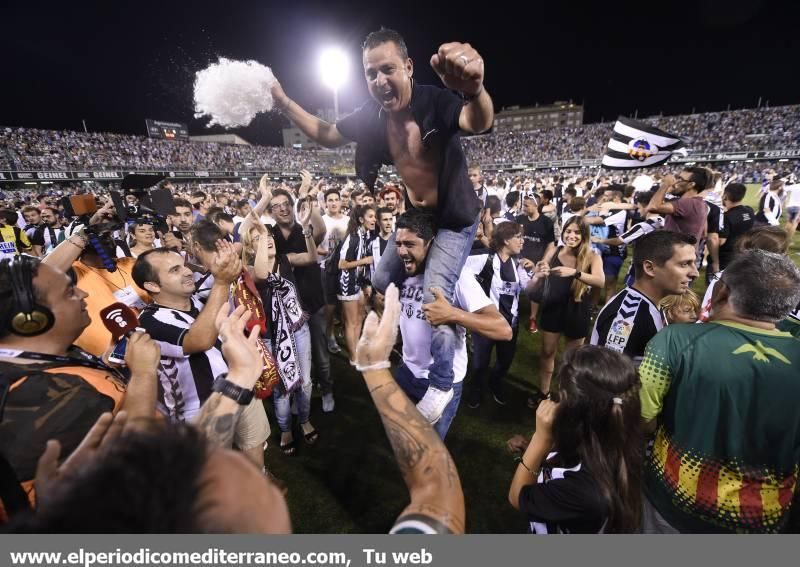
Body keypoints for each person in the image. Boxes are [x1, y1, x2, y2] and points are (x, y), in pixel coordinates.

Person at [272, 28, 494, 424]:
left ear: (408, 67)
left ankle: (442, 383)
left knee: (436, 297)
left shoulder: (434, 100)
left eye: (388, 69)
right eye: (371, 73)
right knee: (379, 278)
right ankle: (397, 341)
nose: (379, 81)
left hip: (454, 220)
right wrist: (286, 102)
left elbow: (476, 121)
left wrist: (476, 91)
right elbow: (326, 134)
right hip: (416, 216)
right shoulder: (373, 118)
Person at [640, 250, 800, 533]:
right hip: (765, 516)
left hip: (674, 505)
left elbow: (641, 418)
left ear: (722, 291)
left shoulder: (674, 341)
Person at [0, 256, 159, 504]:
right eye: (69, 292)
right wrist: (144, 374)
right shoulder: (47, 395)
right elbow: (136, 459)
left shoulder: (32, 360)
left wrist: (104, 363)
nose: (83, 293)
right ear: (31, 320)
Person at [132, 244, 270, 470]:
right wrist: (222, 282)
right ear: (152, 285)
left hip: (239, 387)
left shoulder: (198, 301)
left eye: (184, 266)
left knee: (254, 448)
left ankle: (260, 480)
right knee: (215, 480)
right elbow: (199, 339)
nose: (187, 272)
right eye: (174, 270)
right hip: (201, 413)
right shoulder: (149, 321)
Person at [393, 209, 511, 438]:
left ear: (430, 244)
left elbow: (503, 329)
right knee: (405, 437)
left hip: (441, 385)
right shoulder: (404, 273)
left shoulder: (456, 278)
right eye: (398, 244)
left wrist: (453, 314)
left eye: (409, 244)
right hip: (407, 371)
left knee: (431, 448)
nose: (401, 252)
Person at [508, 345, 643, 534]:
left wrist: (540, 440)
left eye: (561, 396)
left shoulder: (586, 492)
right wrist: (530, 447)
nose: (556, 402)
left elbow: (518, 496)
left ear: (579, 414)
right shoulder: (608, 443)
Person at [244, 214, 319, 457]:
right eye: (259, 238)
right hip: (271, 336)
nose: (267, 241)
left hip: (298, 330)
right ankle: (286, 429)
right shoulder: (251, 270)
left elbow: (311, 257)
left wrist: (307, 231)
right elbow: (263, 275)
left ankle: (304, 419)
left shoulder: (286, 260)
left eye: (268, 236)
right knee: (282, 388)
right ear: (250, 247)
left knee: (305, 381)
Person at [269, 189, 334, 412]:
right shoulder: (270, 235)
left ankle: (326, 390)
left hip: (312, 301)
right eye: (276, 205)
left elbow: (322, 228)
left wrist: (306, 197)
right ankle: (299, 397)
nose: (283, 208)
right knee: (294, 356)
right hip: (287, 308)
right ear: (271, 212)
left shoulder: (303, 229)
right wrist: (260, 201)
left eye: (286, 203)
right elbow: (247, 233)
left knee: (321, 354)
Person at [591, 231, 698, 365]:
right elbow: (606, 378)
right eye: (684, 264)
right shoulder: (628, 317)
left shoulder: (652, 304)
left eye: (694, 263)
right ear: (649, 268)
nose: (695, 273)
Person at [531, 216, 604, 403]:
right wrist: (541, 269)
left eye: (577, 232)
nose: (571, 235)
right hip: (553, 307)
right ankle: (543, 392)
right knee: (548, 352)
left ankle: (565, 395)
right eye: (568, 231)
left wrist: (575, 273)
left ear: (584, 235)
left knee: (571, 359)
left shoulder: (592, 256)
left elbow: (600, 281)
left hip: (577, 308)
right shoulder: (554, 250)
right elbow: (539, 270)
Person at [464, 221, 536, 408]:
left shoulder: (518, 264)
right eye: (518, 237)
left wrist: (538, 276)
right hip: (485, 324)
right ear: (505, 240)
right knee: (480, 364)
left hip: (510, 325)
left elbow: (528, 290)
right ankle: (476, 389)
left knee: (504, 362)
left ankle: (495, 383)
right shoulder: (485, 259)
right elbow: (459, 269)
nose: (522, 241)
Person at [336, 205, 376, 363]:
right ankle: (353, 357)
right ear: (361, 219)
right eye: (371, 216)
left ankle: (357, 350)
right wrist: (364, 261)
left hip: (358, 282)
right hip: (347, 284)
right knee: (351, 323)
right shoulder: (353, 237)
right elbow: (342, 264)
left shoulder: (364, 234)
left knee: (360, 318)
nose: (374, 220)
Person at [647, 168, 709, 244]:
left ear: (691, 185)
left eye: (680, 179)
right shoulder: (701, 204)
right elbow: (704, 233)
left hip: (678, 254)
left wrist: (666, 184)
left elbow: (652, 207)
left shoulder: (687, 203)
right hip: (687, 253)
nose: (676, 182)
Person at [717, 183, 754, 271]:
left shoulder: (726, 216)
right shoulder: (749, 211)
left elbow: (721, 241)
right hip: (743, 253)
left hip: (725, 258)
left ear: (725, 196)